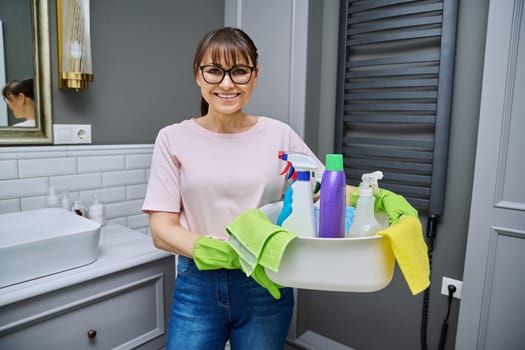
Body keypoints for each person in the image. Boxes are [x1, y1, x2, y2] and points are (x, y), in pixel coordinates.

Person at [143, 27, 417, 350]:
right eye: (214, 71)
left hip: (266, 282)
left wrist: (373, 197)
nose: (227, 83)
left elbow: (320, 189)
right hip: (197, 286)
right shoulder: (173, 139)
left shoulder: (279, 136)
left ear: (255, 76)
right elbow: (161, 230)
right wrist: (213, 250)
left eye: (240, 71)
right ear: (198, 76)